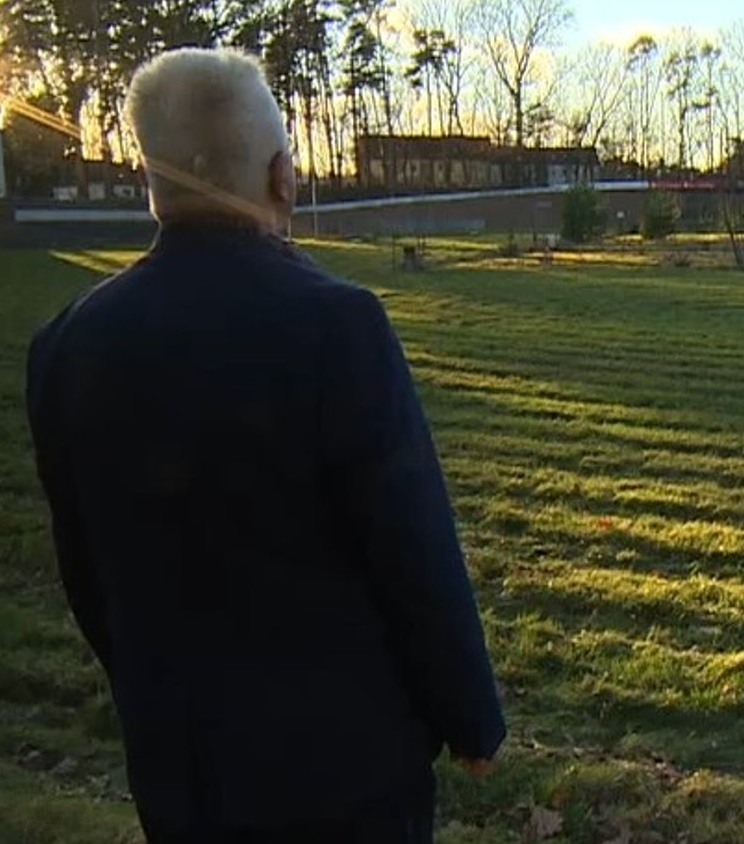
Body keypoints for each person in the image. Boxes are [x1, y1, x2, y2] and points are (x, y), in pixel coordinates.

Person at [25, 48, 505, 842]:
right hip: (345, 773)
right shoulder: (336, 325)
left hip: (182, 772)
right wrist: (470, 719)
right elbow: (412, 545)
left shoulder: (68, 344)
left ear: (151, 182)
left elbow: (86, 572)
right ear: (284, 174)